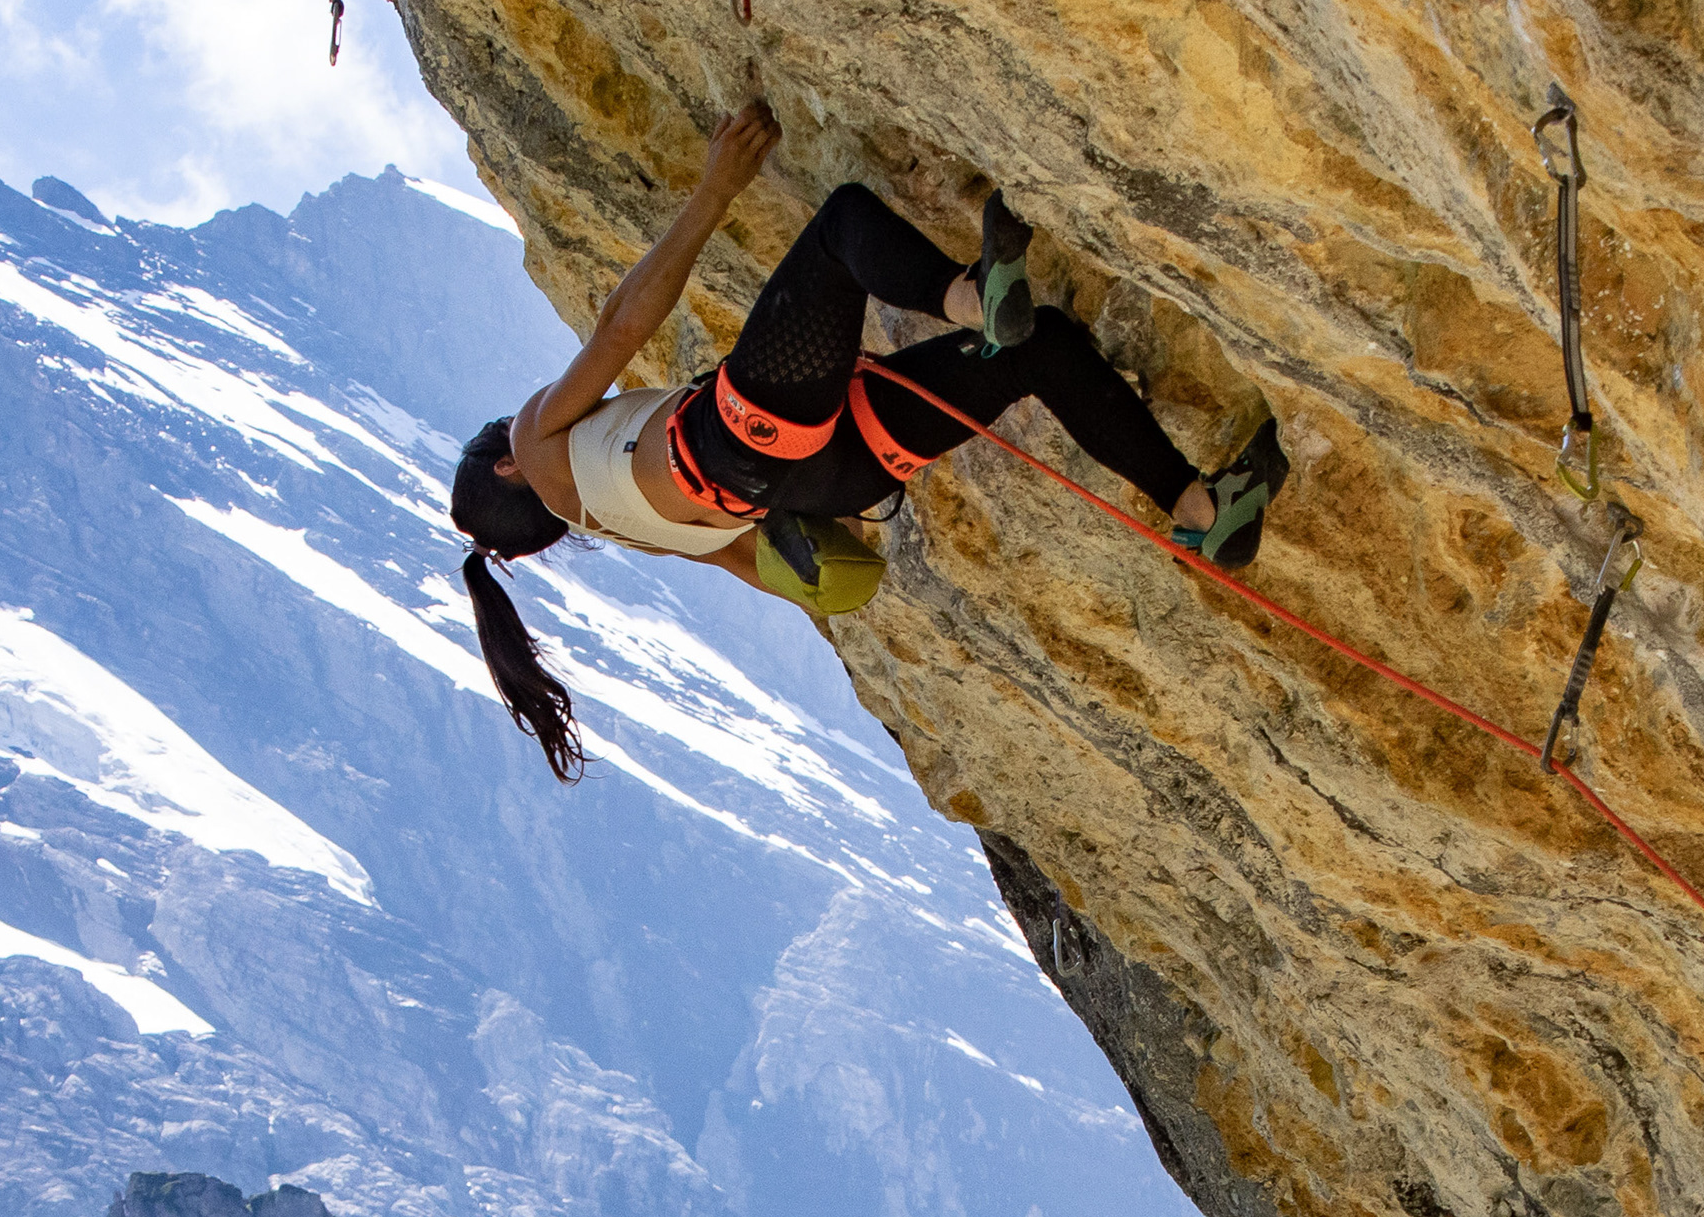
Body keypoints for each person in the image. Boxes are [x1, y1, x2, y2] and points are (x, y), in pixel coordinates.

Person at [448, 100, 1290, 779]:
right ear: (507, 466)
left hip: (820, 474)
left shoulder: (630, 527)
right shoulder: (539, 439)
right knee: (844, 229)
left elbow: (785, 578)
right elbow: (621, 326)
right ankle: (968, 296)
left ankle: (1197, 506)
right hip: (740, 431)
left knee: (1043, 351)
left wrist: (831, 537)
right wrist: (716, 189)